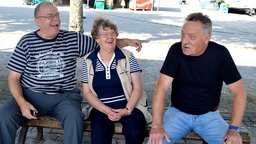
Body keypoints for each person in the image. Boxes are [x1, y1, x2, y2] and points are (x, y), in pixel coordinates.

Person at [0, 2, 142, 144]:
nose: (56, 19)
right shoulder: (26, 42)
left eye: (57, 15)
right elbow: (13, 78)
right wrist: (21, 102)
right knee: (4, 116)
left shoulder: (72, 39)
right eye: (50, 16)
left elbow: (104, 42)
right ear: (38, 21)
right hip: (30, 95)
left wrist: (128, 41)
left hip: (64, 98)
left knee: (75, 118)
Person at [148, 12, 246, 144]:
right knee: (155, 142)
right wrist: (156, 126)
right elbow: (161, 88)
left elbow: (239, 92)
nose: (184, 41)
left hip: (209, 116)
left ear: (207, 38)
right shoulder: (175, 50)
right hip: (177, 114)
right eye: (182, 35)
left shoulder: (220, 54)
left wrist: (233, 129)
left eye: (191, 37)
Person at [81, 17, 152, 144]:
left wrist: (127, 109)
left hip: (130, 106)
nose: (110, 37)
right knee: (99, 135)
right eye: (105, 34)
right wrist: (105, 110)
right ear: (97, 38)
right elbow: (87, 93)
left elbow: (137, 87)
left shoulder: (127, 56)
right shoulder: (89, 60)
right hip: (101, 108)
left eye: (113, 33)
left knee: (135, 132)